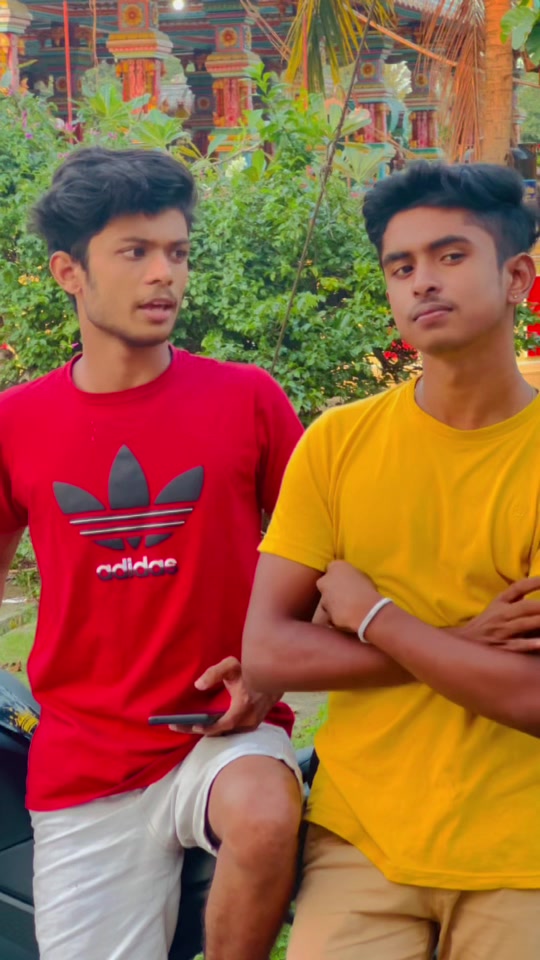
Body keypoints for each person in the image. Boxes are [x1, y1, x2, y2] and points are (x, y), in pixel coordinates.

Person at [0, 146, 304, 960]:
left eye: (177, 251)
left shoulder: (247, 398)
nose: (164, 273)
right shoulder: (16, 422)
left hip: (226, 729)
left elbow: (326, 562)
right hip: (84, 760)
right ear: (69, 272)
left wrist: (268, 672)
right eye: (135, 252)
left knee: (265, 815)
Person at [243, 162, 540, 960]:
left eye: (450, 255)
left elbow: (533, 696)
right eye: (400, 266)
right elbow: (267, 651)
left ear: (517, 277)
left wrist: (374, 617)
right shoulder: (337, 443)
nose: (421, 282)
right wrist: (466, 640)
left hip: (523, 850)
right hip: (362, 838)